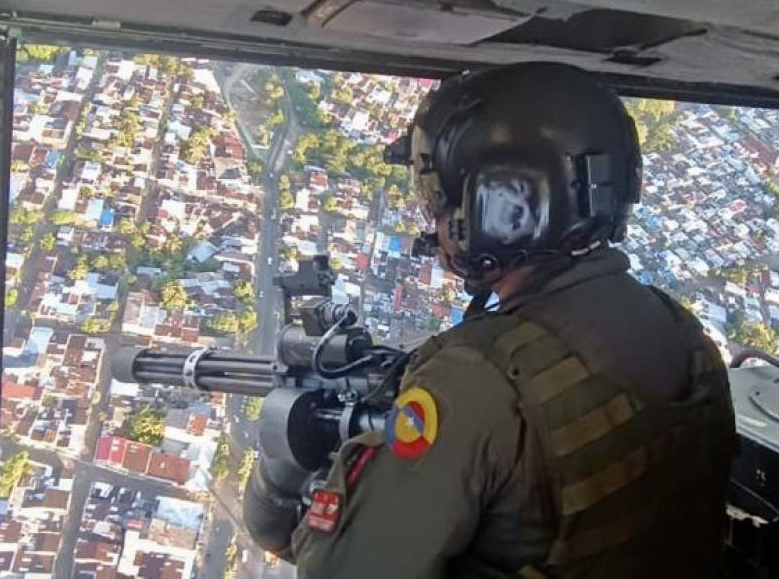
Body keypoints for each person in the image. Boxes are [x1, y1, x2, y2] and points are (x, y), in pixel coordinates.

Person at [251, 62, 736, 578]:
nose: (433, 222)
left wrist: (287, 479)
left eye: (437, 199)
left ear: (502, 204)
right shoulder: (685, 334)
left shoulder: (477, 380)